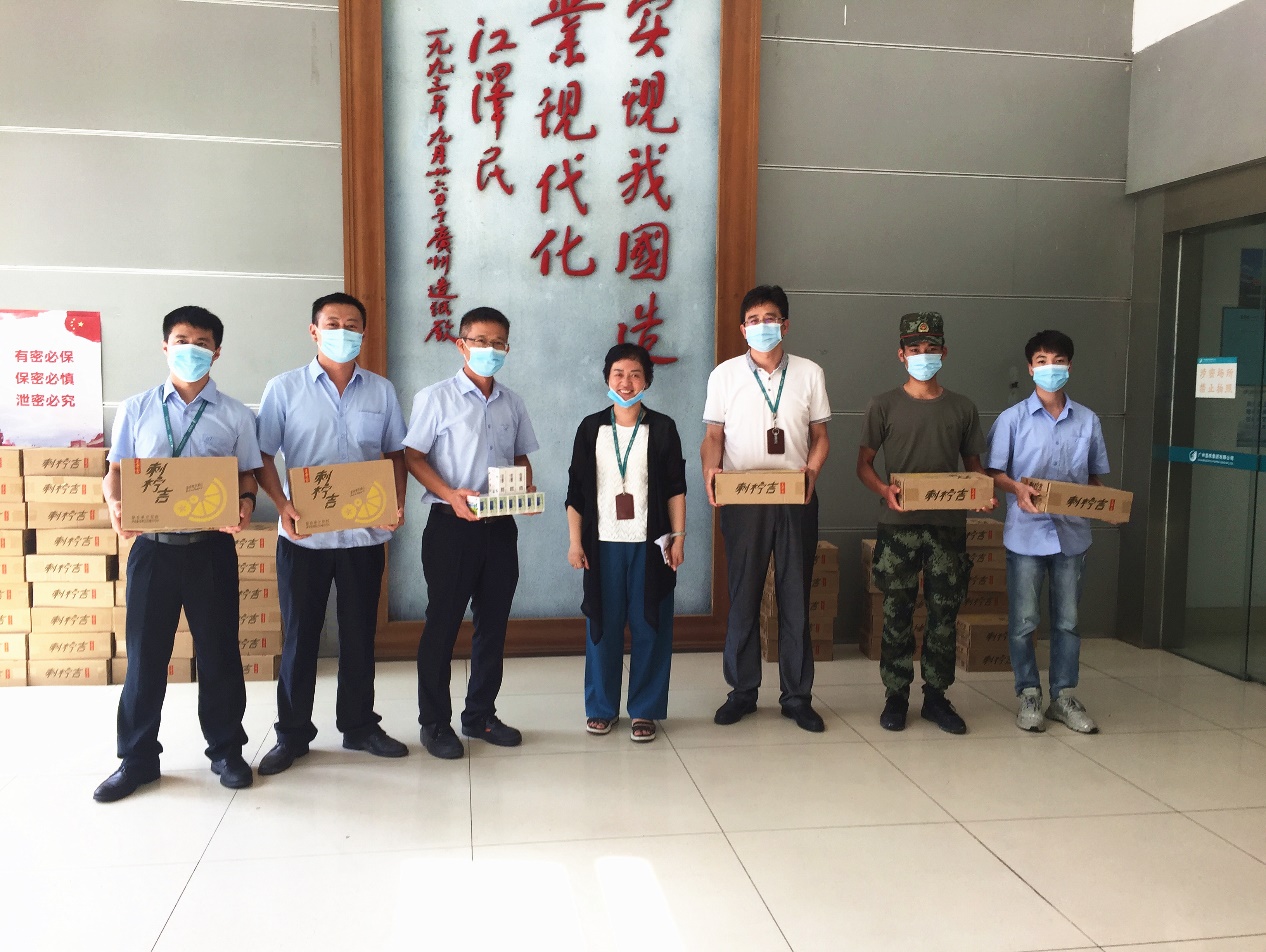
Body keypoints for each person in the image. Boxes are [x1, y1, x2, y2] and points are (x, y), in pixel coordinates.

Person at [94, 305, 261, 802]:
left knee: (219, 654)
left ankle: (226, 750)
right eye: (182, 340)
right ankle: (137, 758)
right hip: (153, 550)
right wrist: (114, 504)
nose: (192, 350)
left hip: (211, 549)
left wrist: (246, 503)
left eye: (202, 342)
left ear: (217, 352)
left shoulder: (235, 414)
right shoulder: (136, 408)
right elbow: (116, 472)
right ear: (165, 346)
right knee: (145, 657)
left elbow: (246, 474)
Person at [253, 292, 410, 774]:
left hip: (364, 537)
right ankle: (292, 734)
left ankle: (359, 726)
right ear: (314, 331)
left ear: (364, 332)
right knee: (301, 637)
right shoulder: (284, 388)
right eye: (333, 323)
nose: (343, 332)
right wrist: (282, 505)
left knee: (359, 635)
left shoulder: (381, 391)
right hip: (304, 537)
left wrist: (396, 501)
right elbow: (262, 455)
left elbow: (395, 453)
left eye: (352, 324)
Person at [403, 306, 539, 759]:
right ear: (461, 345)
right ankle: (434, 723)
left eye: (498, 343)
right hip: (451, 527)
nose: (489, 350)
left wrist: (525, 488)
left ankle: (480, 714)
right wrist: (449, 493)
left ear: (507, 349)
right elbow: (413, 457)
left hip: (500, 528)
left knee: (493, 625)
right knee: (442, 625)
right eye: (480, 341)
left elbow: (521, 456)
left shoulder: (512, 402)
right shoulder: (435, 398)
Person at [701, 285, 831, 732]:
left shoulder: (810, 373)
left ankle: (797, 696)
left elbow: (820, 437)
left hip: (796, 497)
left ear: (786, 325)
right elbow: (713, 436)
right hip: (744, 499)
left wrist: (813, 471)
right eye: (753, 320)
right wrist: (710, 470)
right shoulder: (724, 375)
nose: (762, 326)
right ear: (743, 329)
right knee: (743, 597)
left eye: (770, 318)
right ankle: (742, 691)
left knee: (796, 597)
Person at [856, 312, 993, 734]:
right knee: (896, 612)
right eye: (915, 349)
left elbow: (975, 469)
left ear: (944, 353)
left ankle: (936, 697)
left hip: (947, 527)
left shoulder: (962, 408)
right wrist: (884, 490)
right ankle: (895, 696)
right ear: (901, 355)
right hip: (898, 527)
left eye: (931, 348)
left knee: (943, 614)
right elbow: (863, 465)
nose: (923, 355)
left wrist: (982, 493)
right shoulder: (883, 405)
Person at [985, 330, 1108, 734]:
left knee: (1068, 621)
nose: (1050, 368)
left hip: (1073, 536)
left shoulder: (1088, 420)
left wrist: (1105, 502)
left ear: (1070, 366)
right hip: (1026, 535)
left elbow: (1094, 478)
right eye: (1041, 361)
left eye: (1058, 360)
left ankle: (1064, 696)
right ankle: (1028, 694)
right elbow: (993, 473)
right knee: (1024, 620)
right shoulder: (1012, 419)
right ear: (1030, 368)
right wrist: (1016, 489)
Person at [566, 344, 686, 742]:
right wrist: (575, 542)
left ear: (647, 380)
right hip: (601, 546)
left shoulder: (663, 428)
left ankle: (645, 709)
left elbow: (676, 488)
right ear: (607, 378)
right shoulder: (590, 428)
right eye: (618, 373)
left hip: (651, 545)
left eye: (635, 374)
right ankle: (601, 707)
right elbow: (575, 492)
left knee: (651, 623)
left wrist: (678, 537)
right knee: (602, 625)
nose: (626, 382)